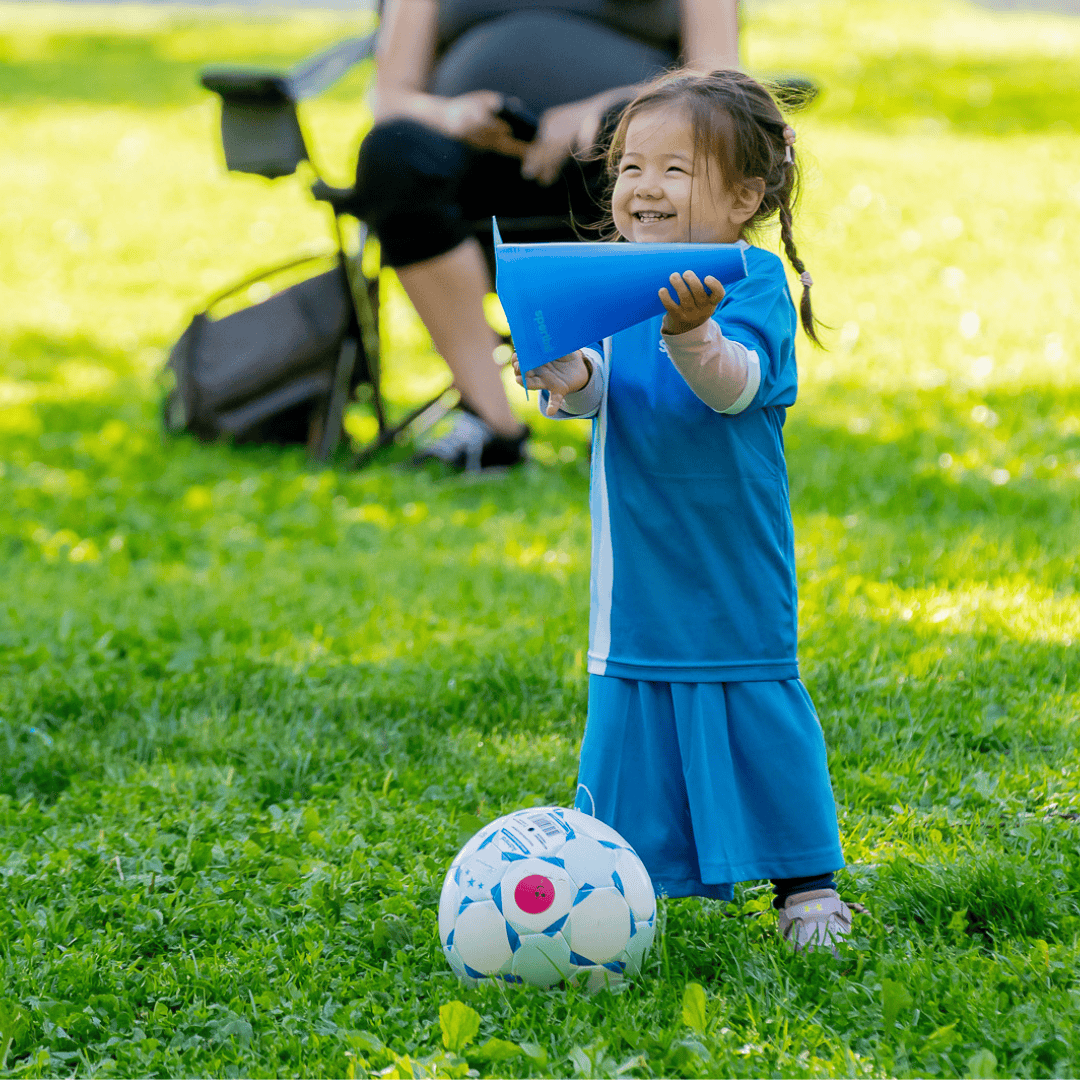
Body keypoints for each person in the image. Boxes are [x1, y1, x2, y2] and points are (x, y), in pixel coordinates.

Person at [514, 68, 853, 954]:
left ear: (744, 196)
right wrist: (569, 376)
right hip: (639, 559)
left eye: (675, 170)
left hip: (730, 555)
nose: (643, 188)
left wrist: (692, 334)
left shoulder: (749, 281)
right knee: (633, 710)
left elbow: (736, 388)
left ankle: (806, 885)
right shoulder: (620, 279)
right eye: (630, 168)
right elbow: (605, 390)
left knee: (753, 699)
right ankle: (626, 882)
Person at [349, 0, 739, 471]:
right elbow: (391, 96)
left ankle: (659, 403)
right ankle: (493, 424)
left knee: (654, 147)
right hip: (469, 164)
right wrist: (452, 115)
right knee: (391, 154)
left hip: (618, 162)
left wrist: (604, 110)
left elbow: (716, 79)